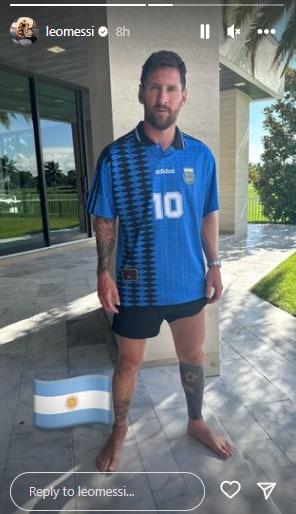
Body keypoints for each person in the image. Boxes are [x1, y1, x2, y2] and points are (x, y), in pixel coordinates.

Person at [86, 50, 233, 472]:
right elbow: (104, 217)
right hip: (136, 285)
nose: (162, 97)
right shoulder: (116, 157)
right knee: (128, 363)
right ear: (141, 93)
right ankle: (119, 430)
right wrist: (103, 271)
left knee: (194, 357)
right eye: (154, 87)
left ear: (183, 96)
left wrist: (215, 264)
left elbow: (207, 213)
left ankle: (195, 421)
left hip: (188, 280)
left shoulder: (200, 157)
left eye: (170, 88)